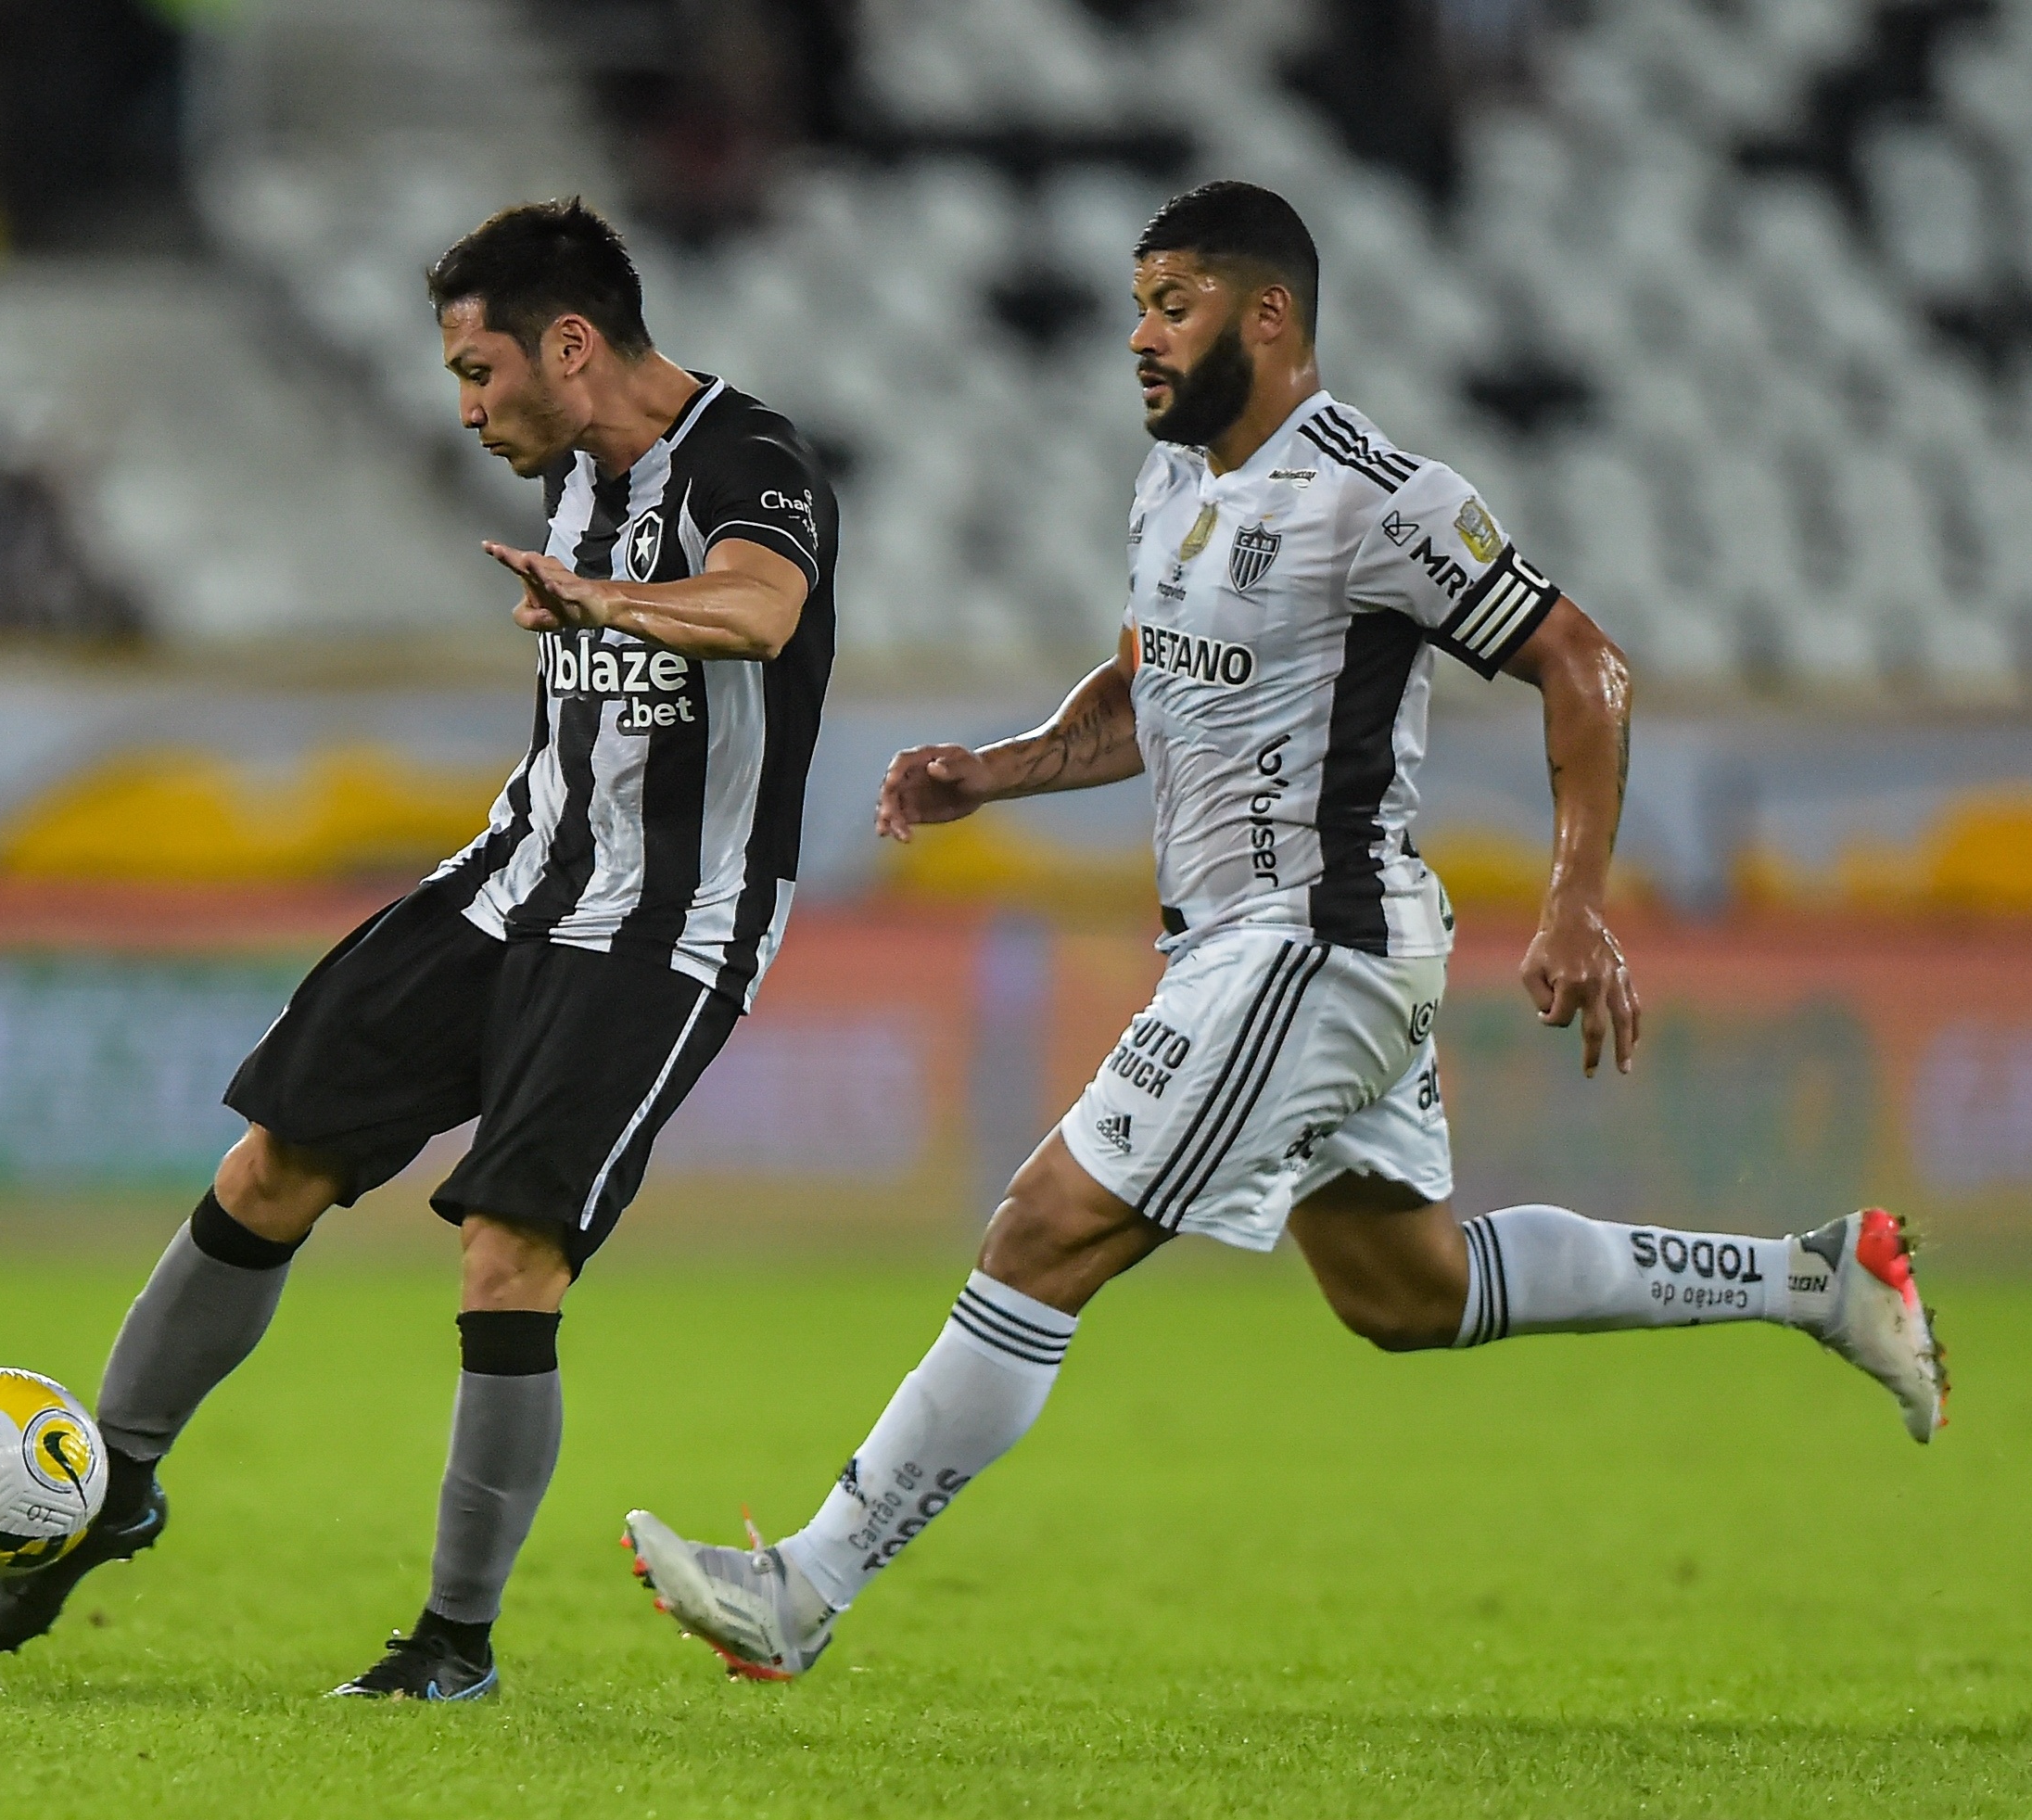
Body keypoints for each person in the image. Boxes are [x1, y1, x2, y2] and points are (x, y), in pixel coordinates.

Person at [621, 180, 1946, 1682]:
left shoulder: (1380, 496)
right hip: (1267, 950)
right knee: (1409, 1291)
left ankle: (805, 1584)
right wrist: (996, 769)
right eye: (1136, 306)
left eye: (1171, 305)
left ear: (1270, 317)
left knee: (1044, 1229)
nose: (1139, 337)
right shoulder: (1172, 487)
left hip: (1311, 940)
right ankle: (1820, 1278)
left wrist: (1577, 898)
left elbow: (1585, 664)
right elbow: (1147, 687)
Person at [0, 197, 839, 1701]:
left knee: (509, 1259)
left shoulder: (746, 461)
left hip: (666, 929)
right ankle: (111, 1484)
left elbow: (764, 610)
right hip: (507, 884)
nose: (468, 404)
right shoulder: (570, 474)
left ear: (572, 344)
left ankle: (451, 1643)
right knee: (270, 1168)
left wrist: (607, 602)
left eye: (478, 369)